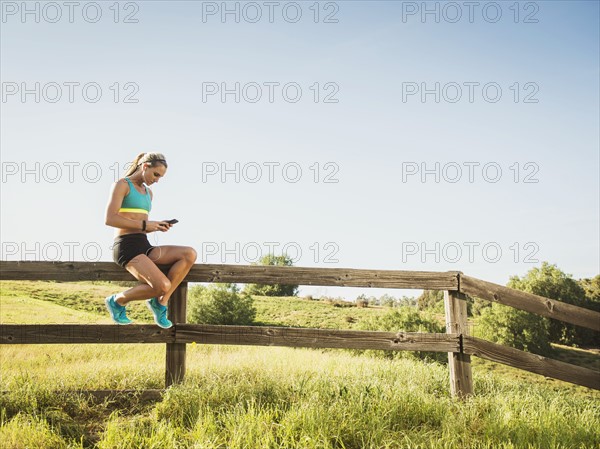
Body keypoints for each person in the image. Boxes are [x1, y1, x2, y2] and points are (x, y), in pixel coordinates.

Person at [104, 152, 197, 328]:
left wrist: (157, 226)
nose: (157, 180)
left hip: (144, 245)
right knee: (162, 285)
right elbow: (110, 219)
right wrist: (145, 225)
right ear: (145, 166)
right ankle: (117, 301)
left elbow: (140, 222)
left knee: (189, 254)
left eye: (160, 177)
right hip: (126, 247)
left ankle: (160, 303)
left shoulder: (149, 193)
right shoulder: (122, 185)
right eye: (156, 175)